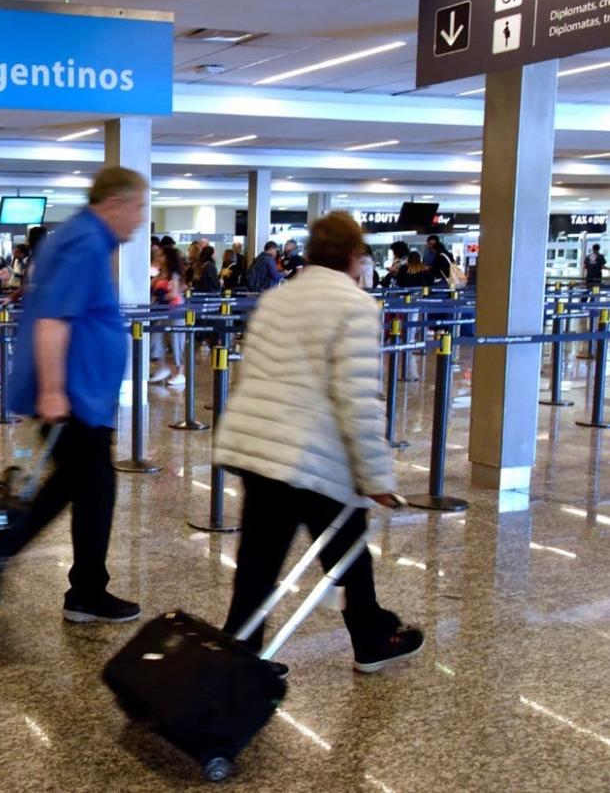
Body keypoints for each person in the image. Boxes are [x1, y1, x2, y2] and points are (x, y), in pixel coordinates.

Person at [216, 211, 424, 675]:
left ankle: (236, 661)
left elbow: (251, 374)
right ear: (354, 256)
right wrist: (376, 477)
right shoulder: (354, 306)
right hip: (312, 455)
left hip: (261, 449)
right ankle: (372, 639)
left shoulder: (279, 298)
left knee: (258, 565)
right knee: (348, 544)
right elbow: (357, 399)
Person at [6, 165, 148, 624]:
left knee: (73, 487)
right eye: (140, 207)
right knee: (92, 487)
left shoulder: (76, 237)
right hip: (74, 395)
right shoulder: (86, 242)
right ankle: (85, 591)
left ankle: (1, 556)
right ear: (116, 204)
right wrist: (52, 391)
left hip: (80, 394)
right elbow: (53, 321)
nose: (141, 219)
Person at [149, 245, 187, 387]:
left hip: (175, 310)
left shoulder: (173, 274)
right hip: (163, 311)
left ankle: (180, 372)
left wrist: (160, 297)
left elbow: (174, 294)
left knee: (176, 340)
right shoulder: (160, 274)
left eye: (161, 255)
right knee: (156, 338)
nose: (158, 258)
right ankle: (162, 367)